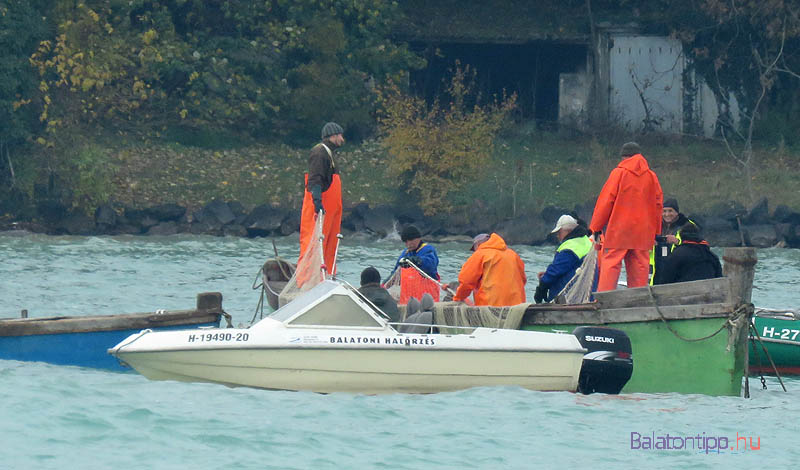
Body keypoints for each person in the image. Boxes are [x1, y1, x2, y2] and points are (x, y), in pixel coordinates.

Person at [590, 142, 663, 291]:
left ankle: (605, 301)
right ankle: (637, 303)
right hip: (643, 232)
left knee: (611, 264)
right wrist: (656, 231)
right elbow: (658, 204)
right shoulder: (651, 176)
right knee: (640, 269)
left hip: (620, 230)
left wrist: (595, 227)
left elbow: (606, 201)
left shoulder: (619, 173)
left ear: (624, 157)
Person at [298, 122, 345, 275]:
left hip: (331, 211)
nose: (342, 139)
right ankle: (307, 279)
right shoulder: (320, 153)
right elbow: (315, 180)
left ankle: (327, 276)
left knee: (328, 246)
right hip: (320, 209)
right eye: (340, 135)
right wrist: (317, 203)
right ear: (333, 136)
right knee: (315, 245)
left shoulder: (329, 154)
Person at [453, 233, 527, 306]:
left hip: (490, 306)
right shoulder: (513, 255)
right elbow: (523, 279)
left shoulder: (480, 254)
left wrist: (458, 298)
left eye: (474, 249)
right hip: (517, 306)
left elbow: (466, 282)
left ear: (477, 245)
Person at [534, 215, 593, 303]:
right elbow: (574, 267)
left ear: (567, 231)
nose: (557, 236)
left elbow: (556, 270)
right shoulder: (587, 241)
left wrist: (542, 287)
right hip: (586, 292)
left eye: (559, 232)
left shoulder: (569, 247)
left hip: (569, 297)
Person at [653, 221, 722, 284]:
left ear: (682, 236)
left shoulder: (677, 255)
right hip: (709, 294)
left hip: (683, 295)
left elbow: (665, 280)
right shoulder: (711, 256)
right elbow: (719, 279)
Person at [387, 225, 441, 303]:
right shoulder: (405, 253)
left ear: (418, 238)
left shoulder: (428, 249)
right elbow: (395, 272)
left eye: (411, 240)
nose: (408, 244)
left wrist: (417, 261)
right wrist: (383, 286)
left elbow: (431, 265)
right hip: (409, 296)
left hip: (428, 294)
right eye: (406, 241)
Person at [650, 198, 692, 284]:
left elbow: (696, 246)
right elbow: (640, 244)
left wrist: (677, 242)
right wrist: (648, 243)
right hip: (655, 269)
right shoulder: (654, 225)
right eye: (664, 211)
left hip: (678, 268)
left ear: (677, 212)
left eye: (670, 211)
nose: (667, 214)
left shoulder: (687, 225)